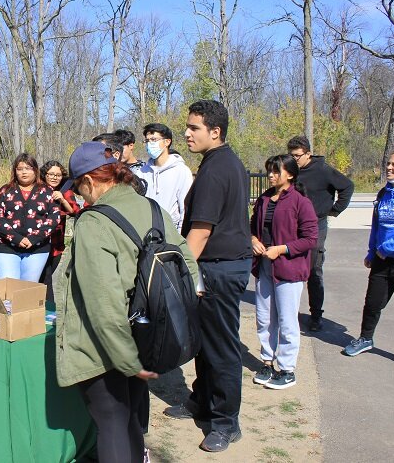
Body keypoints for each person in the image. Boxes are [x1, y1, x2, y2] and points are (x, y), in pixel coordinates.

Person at [54, 141, 198, 463]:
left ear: (89, 182)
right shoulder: (153, 208)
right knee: (130, 419)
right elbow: (188, 267)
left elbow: (103, 306)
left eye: (78, 189)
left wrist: (126, 360)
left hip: (108, 350)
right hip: (146, 338)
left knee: (112, 424)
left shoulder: (93, 222)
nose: (79, 196)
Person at [163, 100, 252, 453]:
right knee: (204, 342)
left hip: (219, 268)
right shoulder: (221, 161)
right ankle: (201, 400)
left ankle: (226, 423)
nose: (186, 133)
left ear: (215, 132)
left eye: (194, 128)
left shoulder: (217, 169)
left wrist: (179, 273)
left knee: (221, 348)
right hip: (216, 266)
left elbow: (200, 231)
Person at [250, 155, 318, 390]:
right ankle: (267, 362)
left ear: (289, 174)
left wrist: (282, 249)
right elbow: (252, 227)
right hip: (264, 267)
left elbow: (310, 238)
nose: (271, 175)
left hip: (288, 269)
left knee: (287, 320)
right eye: (269, 171)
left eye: (276, 171)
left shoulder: (301, 202)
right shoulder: (264, 199)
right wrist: (253, 240)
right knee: (264, 318)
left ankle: (287, 369)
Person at [287, 135, 354, 331]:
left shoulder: (323, 171)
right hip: (293, 226)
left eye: (297, 156)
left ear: (308, 153)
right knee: (292, 268)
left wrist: (334, 209)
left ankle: (316, 315)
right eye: (291, 155)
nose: (294, 159)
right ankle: (290, 312)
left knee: (313, 270)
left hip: (316, 225)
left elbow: (347, 186)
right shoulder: (291, 170)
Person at [343, 150, 394, 357]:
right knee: (372, 303)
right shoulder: (382, 194)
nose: (389, 168)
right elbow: (376, 226)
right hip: (381, 260)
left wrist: (385, 249)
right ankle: (366, 339)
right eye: (388, 164)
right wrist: (372, 252)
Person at [0, 153, 61, 282]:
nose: (24, 172)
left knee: (26, 290)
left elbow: (54, 218)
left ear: (35, 170)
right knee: (7, 289)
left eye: (28, 168)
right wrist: (16, 238)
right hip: (7, 247)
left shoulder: (47, 192)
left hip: (37, 248)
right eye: (20, 169)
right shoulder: (5, 190)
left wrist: (34, 238)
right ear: (15, 171)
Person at [137, 123, 193, 231]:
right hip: (146, 232)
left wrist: (180, 238)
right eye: (147, 141)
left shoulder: (181, 171)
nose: (149, 144)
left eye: (153, 140)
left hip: (171, 234)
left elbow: (184, 210)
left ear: (167, 141)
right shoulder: (141, 172)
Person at [40, 160, 80, 300]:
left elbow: (75, 212)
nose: (54, 177)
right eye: (51, 174)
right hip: (38, 241)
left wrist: (62, 200)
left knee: (48, 275)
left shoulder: (65, 191)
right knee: (43, 277)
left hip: (56, 244)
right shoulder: (38, 189)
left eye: (58, 175)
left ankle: (47, 308)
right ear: (44, 175)